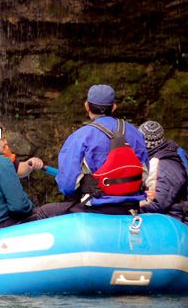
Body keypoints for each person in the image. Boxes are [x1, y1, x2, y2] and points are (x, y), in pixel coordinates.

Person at [34, 84, 149, 218]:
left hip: (96, 209)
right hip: (131, 207)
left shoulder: (80, 137)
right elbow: (145, 176)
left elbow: (67, 186)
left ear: (87, 106)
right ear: (114, 107)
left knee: (42, 212)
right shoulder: (136, 134)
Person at [138, 121, 188, 229]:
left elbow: (157, 203)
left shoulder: (164, 165)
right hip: (174, 213)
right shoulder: (169, 151)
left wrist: (128, 206)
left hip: (180, 220)